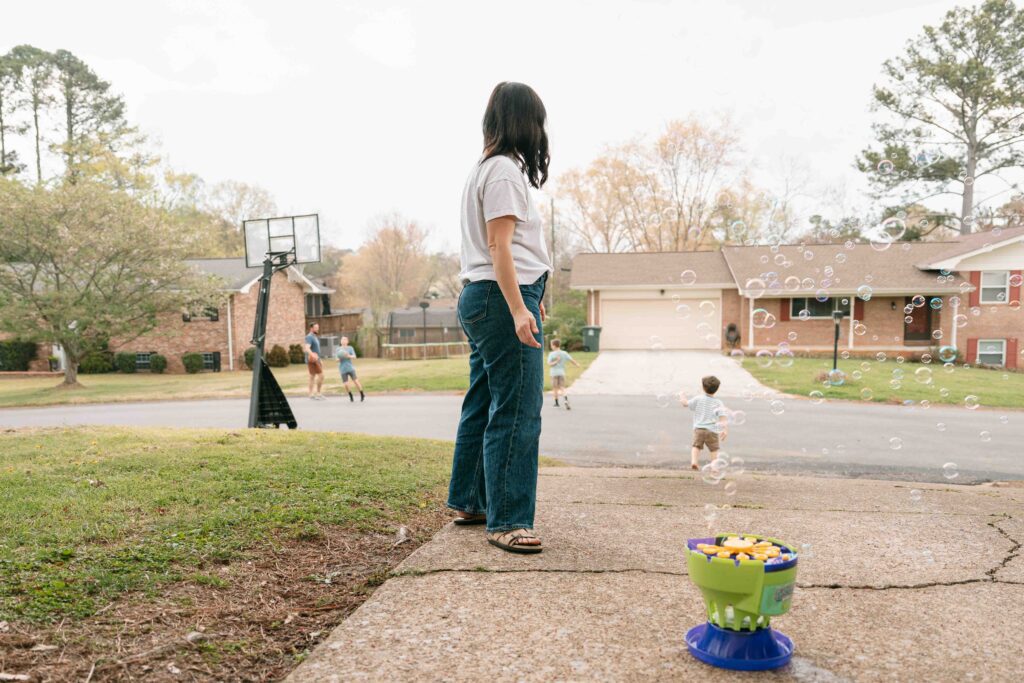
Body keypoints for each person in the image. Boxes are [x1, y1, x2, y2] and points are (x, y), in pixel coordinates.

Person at [447, 82, 552, 555]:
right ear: (525, 122)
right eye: (539, 121)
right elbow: (499, 247)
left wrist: (533, 293)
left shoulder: (483, 170)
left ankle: (471, 501)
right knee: (516, 410)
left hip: (483, 295)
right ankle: (508, 519)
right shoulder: (507, 172)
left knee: (484, 400)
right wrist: (518, 307)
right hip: (498, 298)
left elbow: (511, 250)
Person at [679, 375, 729, 470]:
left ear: (703, 387)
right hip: (712, 430)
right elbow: (723, 417)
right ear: (717, 389)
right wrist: (725, 430)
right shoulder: (718, 402)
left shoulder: (698, 399)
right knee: (714, 449)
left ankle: (694, 461)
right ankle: (714, 467)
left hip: (699, 429)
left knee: (696, 446)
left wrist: (682, 395)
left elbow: (685, 403)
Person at [547, 338, 579, 410]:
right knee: (562, 387)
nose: (551, 346)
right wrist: (577, 364)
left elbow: (549, 364)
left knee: (555, 388)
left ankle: (556, 403)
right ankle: (565, 399)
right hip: (562, 373)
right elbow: (571, 360)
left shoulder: (551, 354)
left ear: (554, 346)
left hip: (554, 373)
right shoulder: (564, 353)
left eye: (551, 345)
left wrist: (556, 361)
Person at [335, 335, 364, 402]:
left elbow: (354, 356)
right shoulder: (338, 349)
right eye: (342, 339)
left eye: (345, 339)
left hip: (350, 368)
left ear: (347, 341)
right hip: (342, 369)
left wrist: (348, 356)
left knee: (356, 381)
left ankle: (362, 394)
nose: (343, 341)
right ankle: (351, 395)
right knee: (346, 384)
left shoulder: (350, 348)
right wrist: (340, 358)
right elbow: (336, 359)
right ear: (341, 341)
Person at [304, 322, 324, 400]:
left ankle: (312, 394)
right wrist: (313, 355)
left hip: (316, 359)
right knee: (321, 376)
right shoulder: (309, 337)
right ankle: (316, 393)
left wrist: (319, 359)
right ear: (311, 328)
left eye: (317, 327)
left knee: (312, 377)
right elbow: (307, 348)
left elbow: (317, 350)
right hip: (312, 360)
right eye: (316, 327)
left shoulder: (314, 337)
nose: (317, 329)